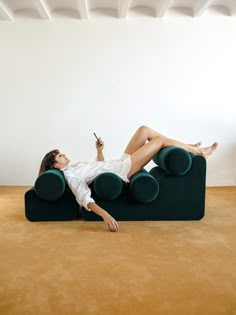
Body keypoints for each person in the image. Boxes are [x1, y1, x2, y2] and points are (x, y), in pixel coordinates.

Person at [38, 125, 218, 232]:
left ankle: (186, 146)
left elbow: (98, 167)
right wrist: (105, 215)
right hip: (123, 169)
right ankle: (199, 151)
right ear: (55, 165)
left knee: (144, 130)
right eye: (60, 156)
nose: (64, 155)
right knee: (158, 142)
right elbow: (83, 197)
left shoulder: (74, 167)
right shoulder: (71, 175)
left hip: (118, 162)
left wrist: (99, 150)